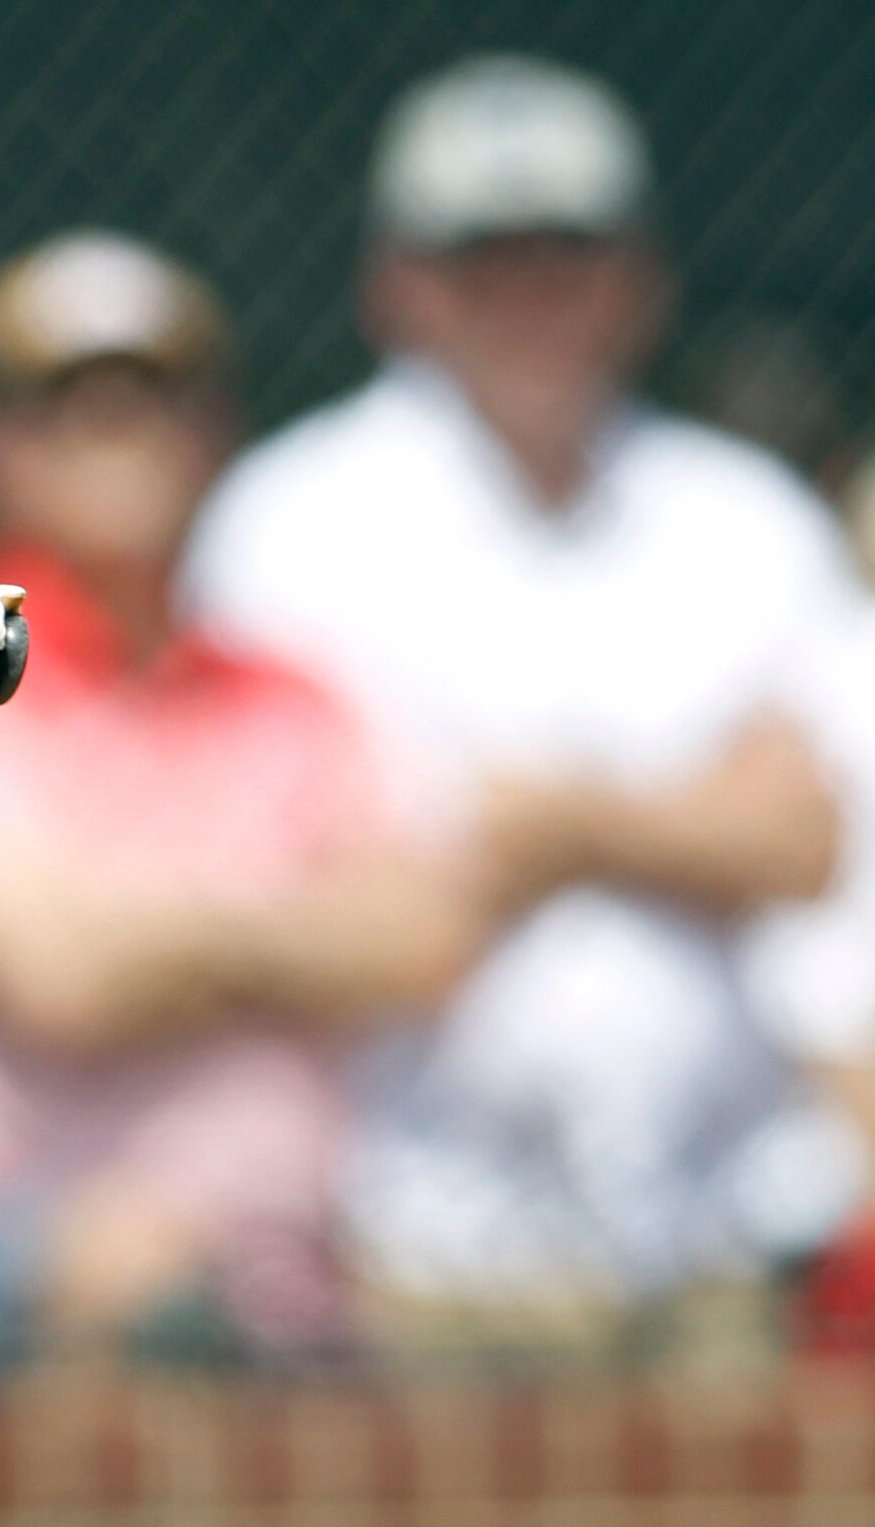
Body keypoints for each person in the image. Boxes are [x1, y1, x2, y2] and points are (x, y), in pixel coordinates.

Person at [185, 55, 869, 1351]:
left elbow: (806, 839)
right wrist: (682, 819)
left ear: (639, 276)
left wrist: (551, 822)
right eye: (483, 254)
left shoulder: (746, 519)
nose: (531, 294)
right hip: (407, 1232)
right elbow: (346, 884)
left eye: (569, 249)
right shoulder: (289, 518)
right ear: (401, 283)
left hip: (725, 1227)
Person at [0, 232, 480, 1368]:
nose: (119, 443)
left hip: (276, 1290)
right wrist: (290, 936)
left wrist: (169, 939)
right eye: (71, 409)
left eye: (153, 404)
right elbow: (69, 981)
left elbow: (421, 945)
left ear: (213, 438)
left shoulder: (291, 693)